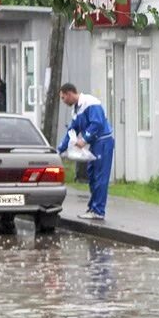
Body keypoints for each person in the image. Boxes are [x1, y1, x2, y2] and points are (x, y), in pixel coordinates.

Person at [57, 83, 114, 220]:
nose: (63, 101)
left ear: (70, 93)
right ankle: (93, 207)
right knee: (92, 175)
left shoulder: (90, 102)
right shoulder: (76, 110)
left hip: (103, 142)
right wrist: (60, 149)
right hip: (95, 144)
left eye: (63, 98)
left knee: (100, 177)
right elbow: (72, 130)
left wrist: (85, 139)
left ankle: (98, 210)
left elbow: (97, 123)